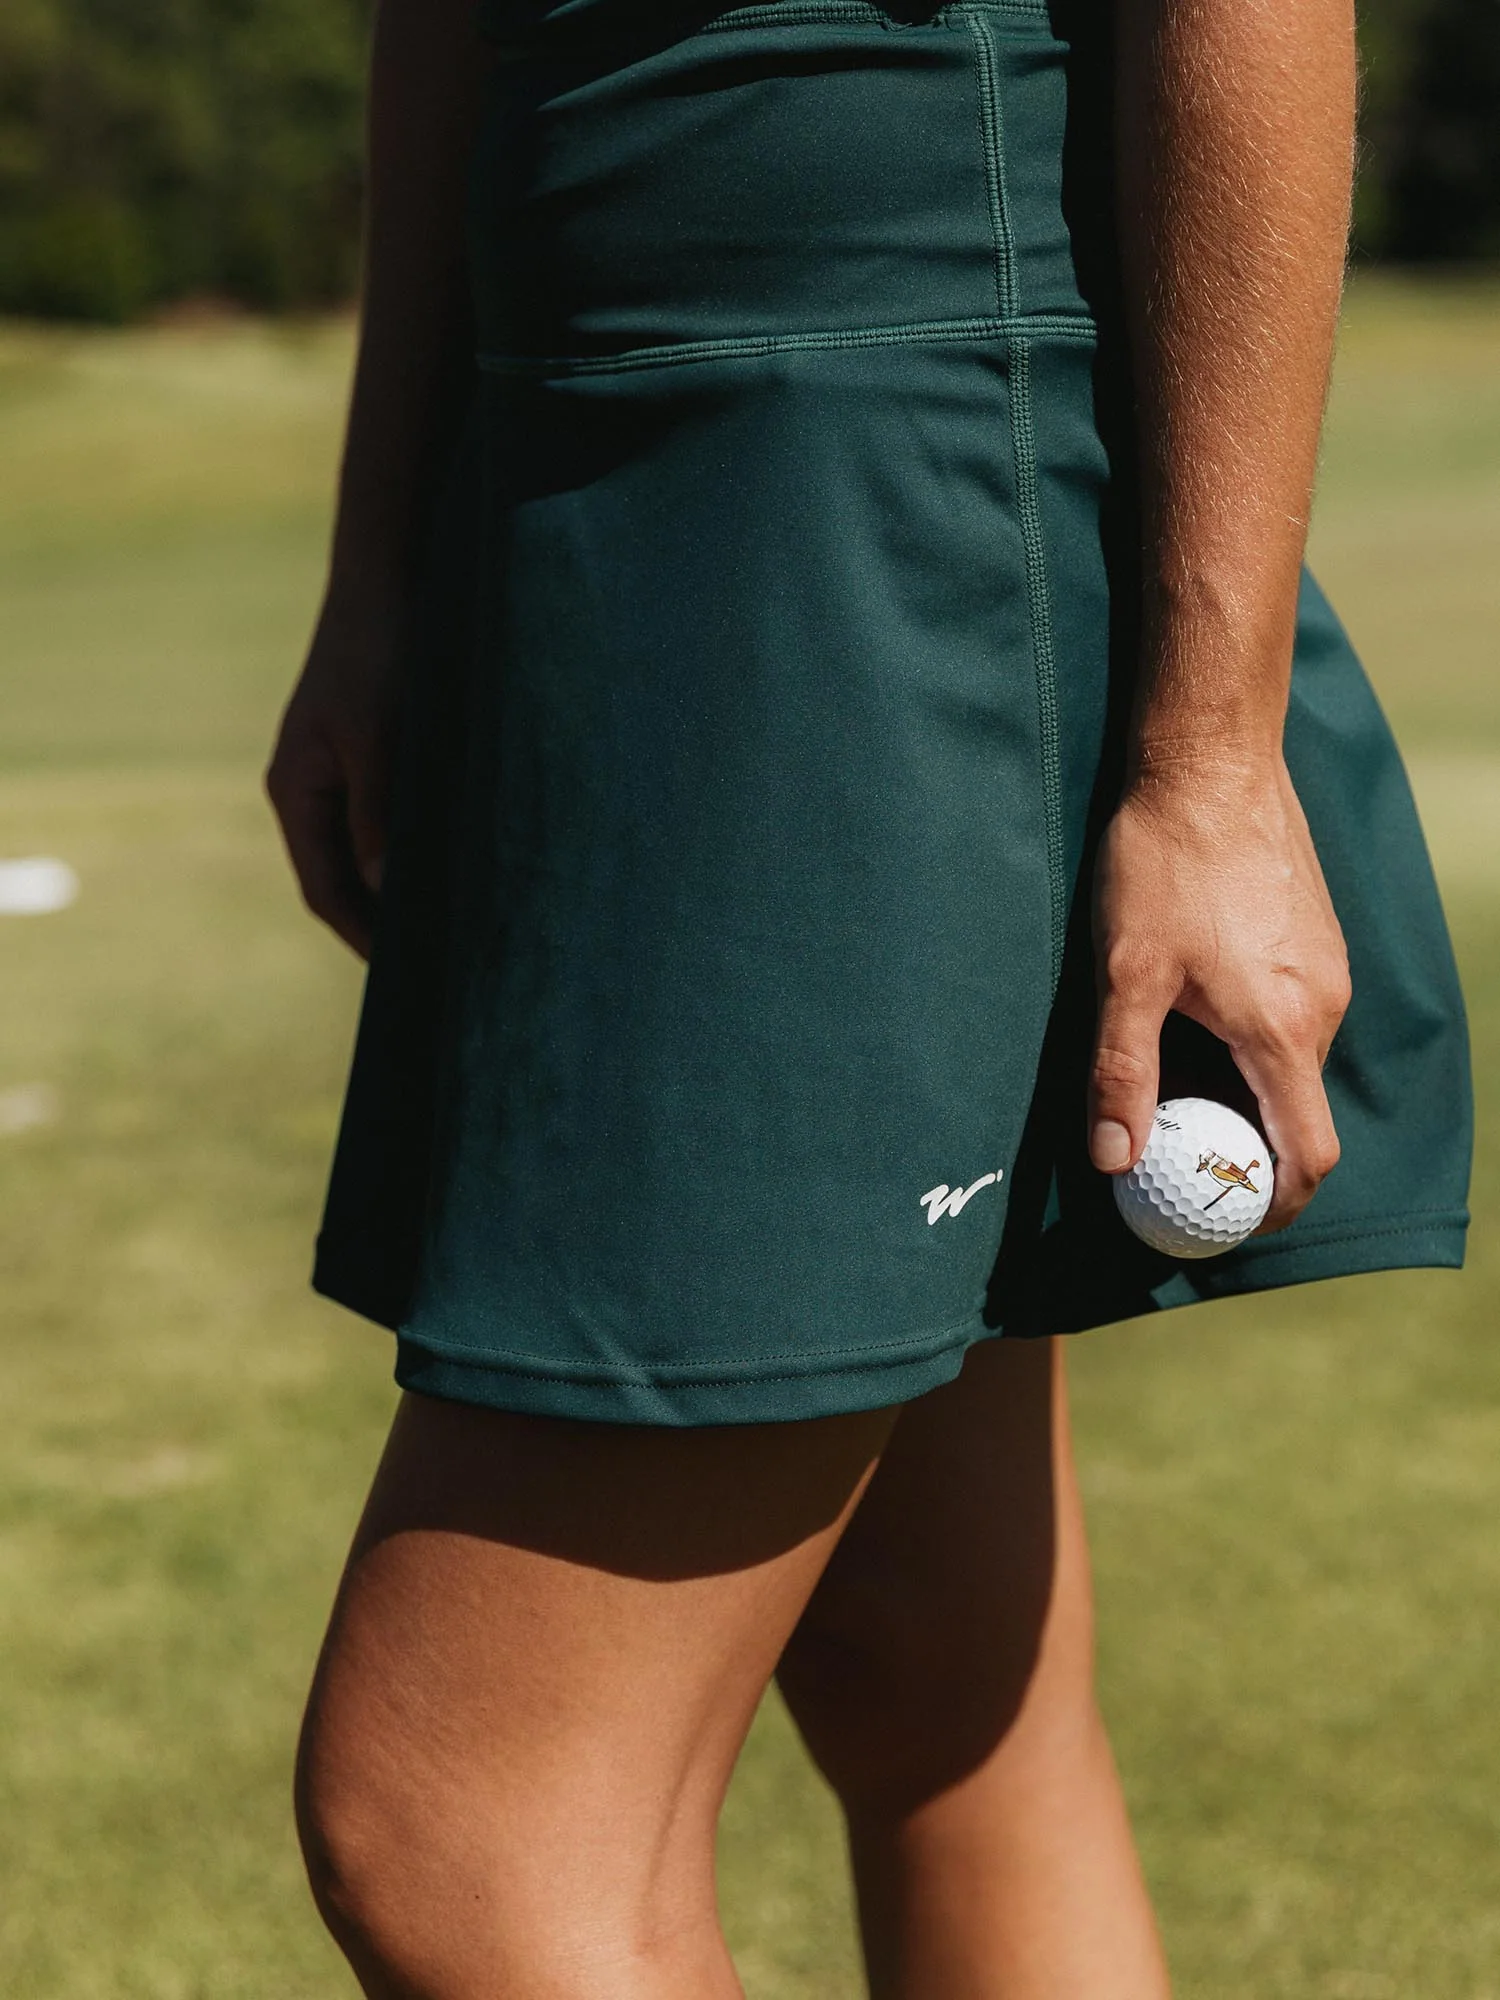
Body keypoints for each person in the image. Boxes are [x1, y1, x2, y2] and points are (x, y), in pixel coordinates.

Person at [266, 0, 1472, 1989]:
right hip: (605, 479)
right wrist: (381, 569)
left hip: (865, 511)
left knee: (465, 1833)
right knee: (938, 1683)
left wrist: (1209, 761)